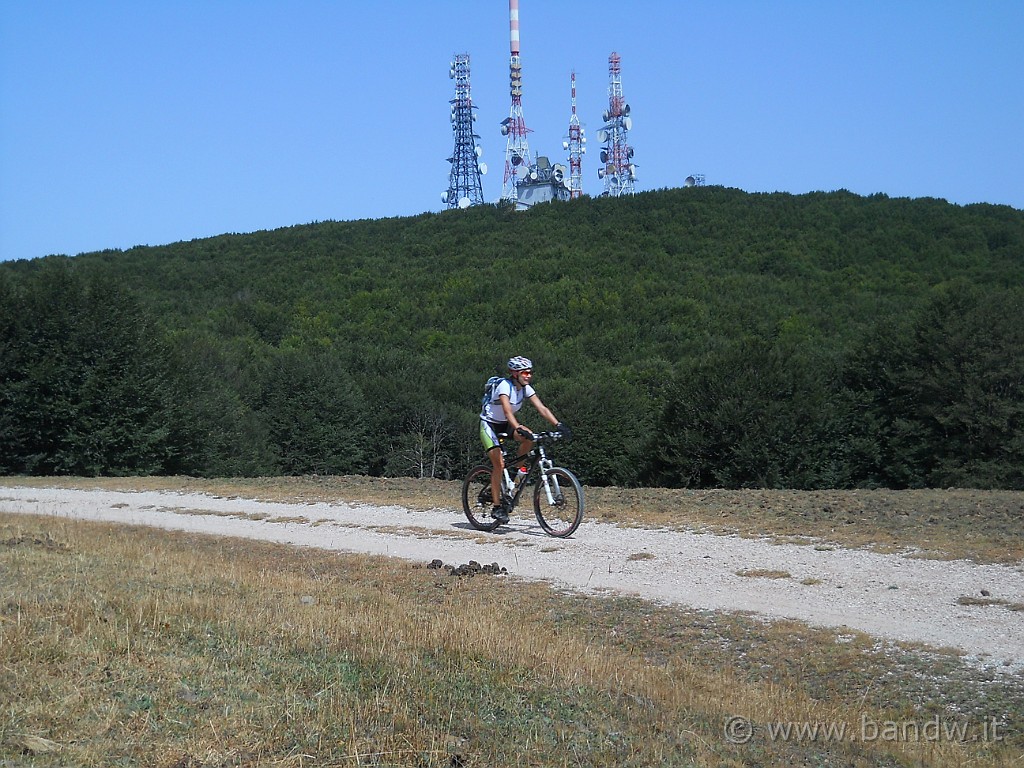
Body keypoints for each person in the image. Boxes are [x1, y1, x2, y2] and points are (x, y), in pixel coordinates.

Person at [479, 356, 570, 524]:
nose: (529, 376)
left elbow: (542, 408)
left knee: (530, 438)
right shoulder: (504, 386)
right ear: (515, 373)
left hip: (506, 424)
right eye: (525, 372)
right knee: (498, 464)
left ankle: (513, 472)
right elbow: (507, 412)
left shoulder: (525, 388)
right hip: (490, 425)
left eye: (530, 372)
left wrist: (559, 424)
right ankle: (497, 507)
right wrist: (518, 427)